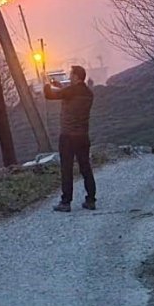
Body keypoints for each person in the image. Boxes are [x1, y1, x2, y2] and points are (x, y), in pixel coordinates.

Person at [43, 65, 96, 212]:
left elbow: (50, 95)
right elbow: (68, 93)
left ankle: (66, 202)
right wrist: (59, 85)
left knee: (66, 169)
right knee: (85, 167)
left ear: (77, 76)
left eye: (71, 75)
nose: (69, 77)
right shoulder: (88, 93)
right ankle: (91, 200)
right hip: (83, 136)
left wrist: (46, 84)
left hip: (67, 136)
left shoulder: (70, 91)